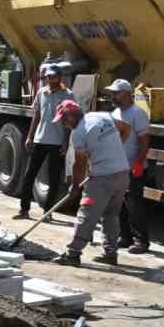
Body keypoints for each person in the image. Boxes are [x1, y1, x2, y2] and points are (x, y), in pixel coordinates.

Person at [53, 99, 130, 268]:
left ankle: (72, 254)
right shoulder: (101, 115)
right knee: (111, 215)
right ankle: (111, 253)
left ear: (72, 116)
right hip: (122, 174)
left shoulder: (78, 133)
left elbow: (79, 163)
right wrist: (112, 148)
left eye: (64, 120)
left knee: (87, 215)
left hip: (102, 178)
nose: (64, 124)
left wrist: (74, 186)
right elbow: (126, 128)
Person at [14, 64, 75, 220]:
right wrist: (30, 137)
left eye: (53, 76)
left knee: (53, 179)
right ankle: (24, 210)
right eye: (48, 77)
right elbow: (37, 116)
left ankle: (47, 213)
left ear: (60, 77)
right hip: (40, 140)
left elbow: (69, 121)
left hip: (57, 143)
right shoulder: (42, 93)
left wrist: (65, 142)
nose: (50, 79)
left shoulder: (68, 95)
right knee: (29, 175)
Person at [108, 78, 152, 255]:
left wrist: (139, 162)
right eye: (112, 93)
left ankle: (141, 240)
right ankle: (124, 236)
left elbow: (144, 140)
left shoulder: (137, 113)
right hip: (118, 165)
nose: (113, 96)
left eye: (115, 93)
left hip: (133, 166)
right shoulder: (115, 113)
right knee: (119, 203)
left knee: (134, 204)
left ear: (126, 94)